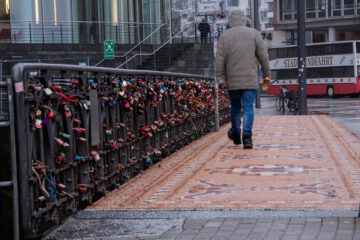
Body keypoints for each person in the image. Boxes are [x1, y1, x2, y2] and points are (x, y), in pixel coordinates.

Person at [215, 10, 271, 149]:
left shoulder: (224, 36)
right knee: (248, 107)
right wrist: (267, 75)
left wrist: (221, 79)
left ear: (231, 21)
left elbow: (219, 60)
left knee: (235, 107)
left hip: (232, 80)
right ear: (245, 20)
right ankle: (247, 137)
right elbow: (263, 57)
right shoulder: (254, 34)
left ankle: (235, 132)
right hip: (250, 79)